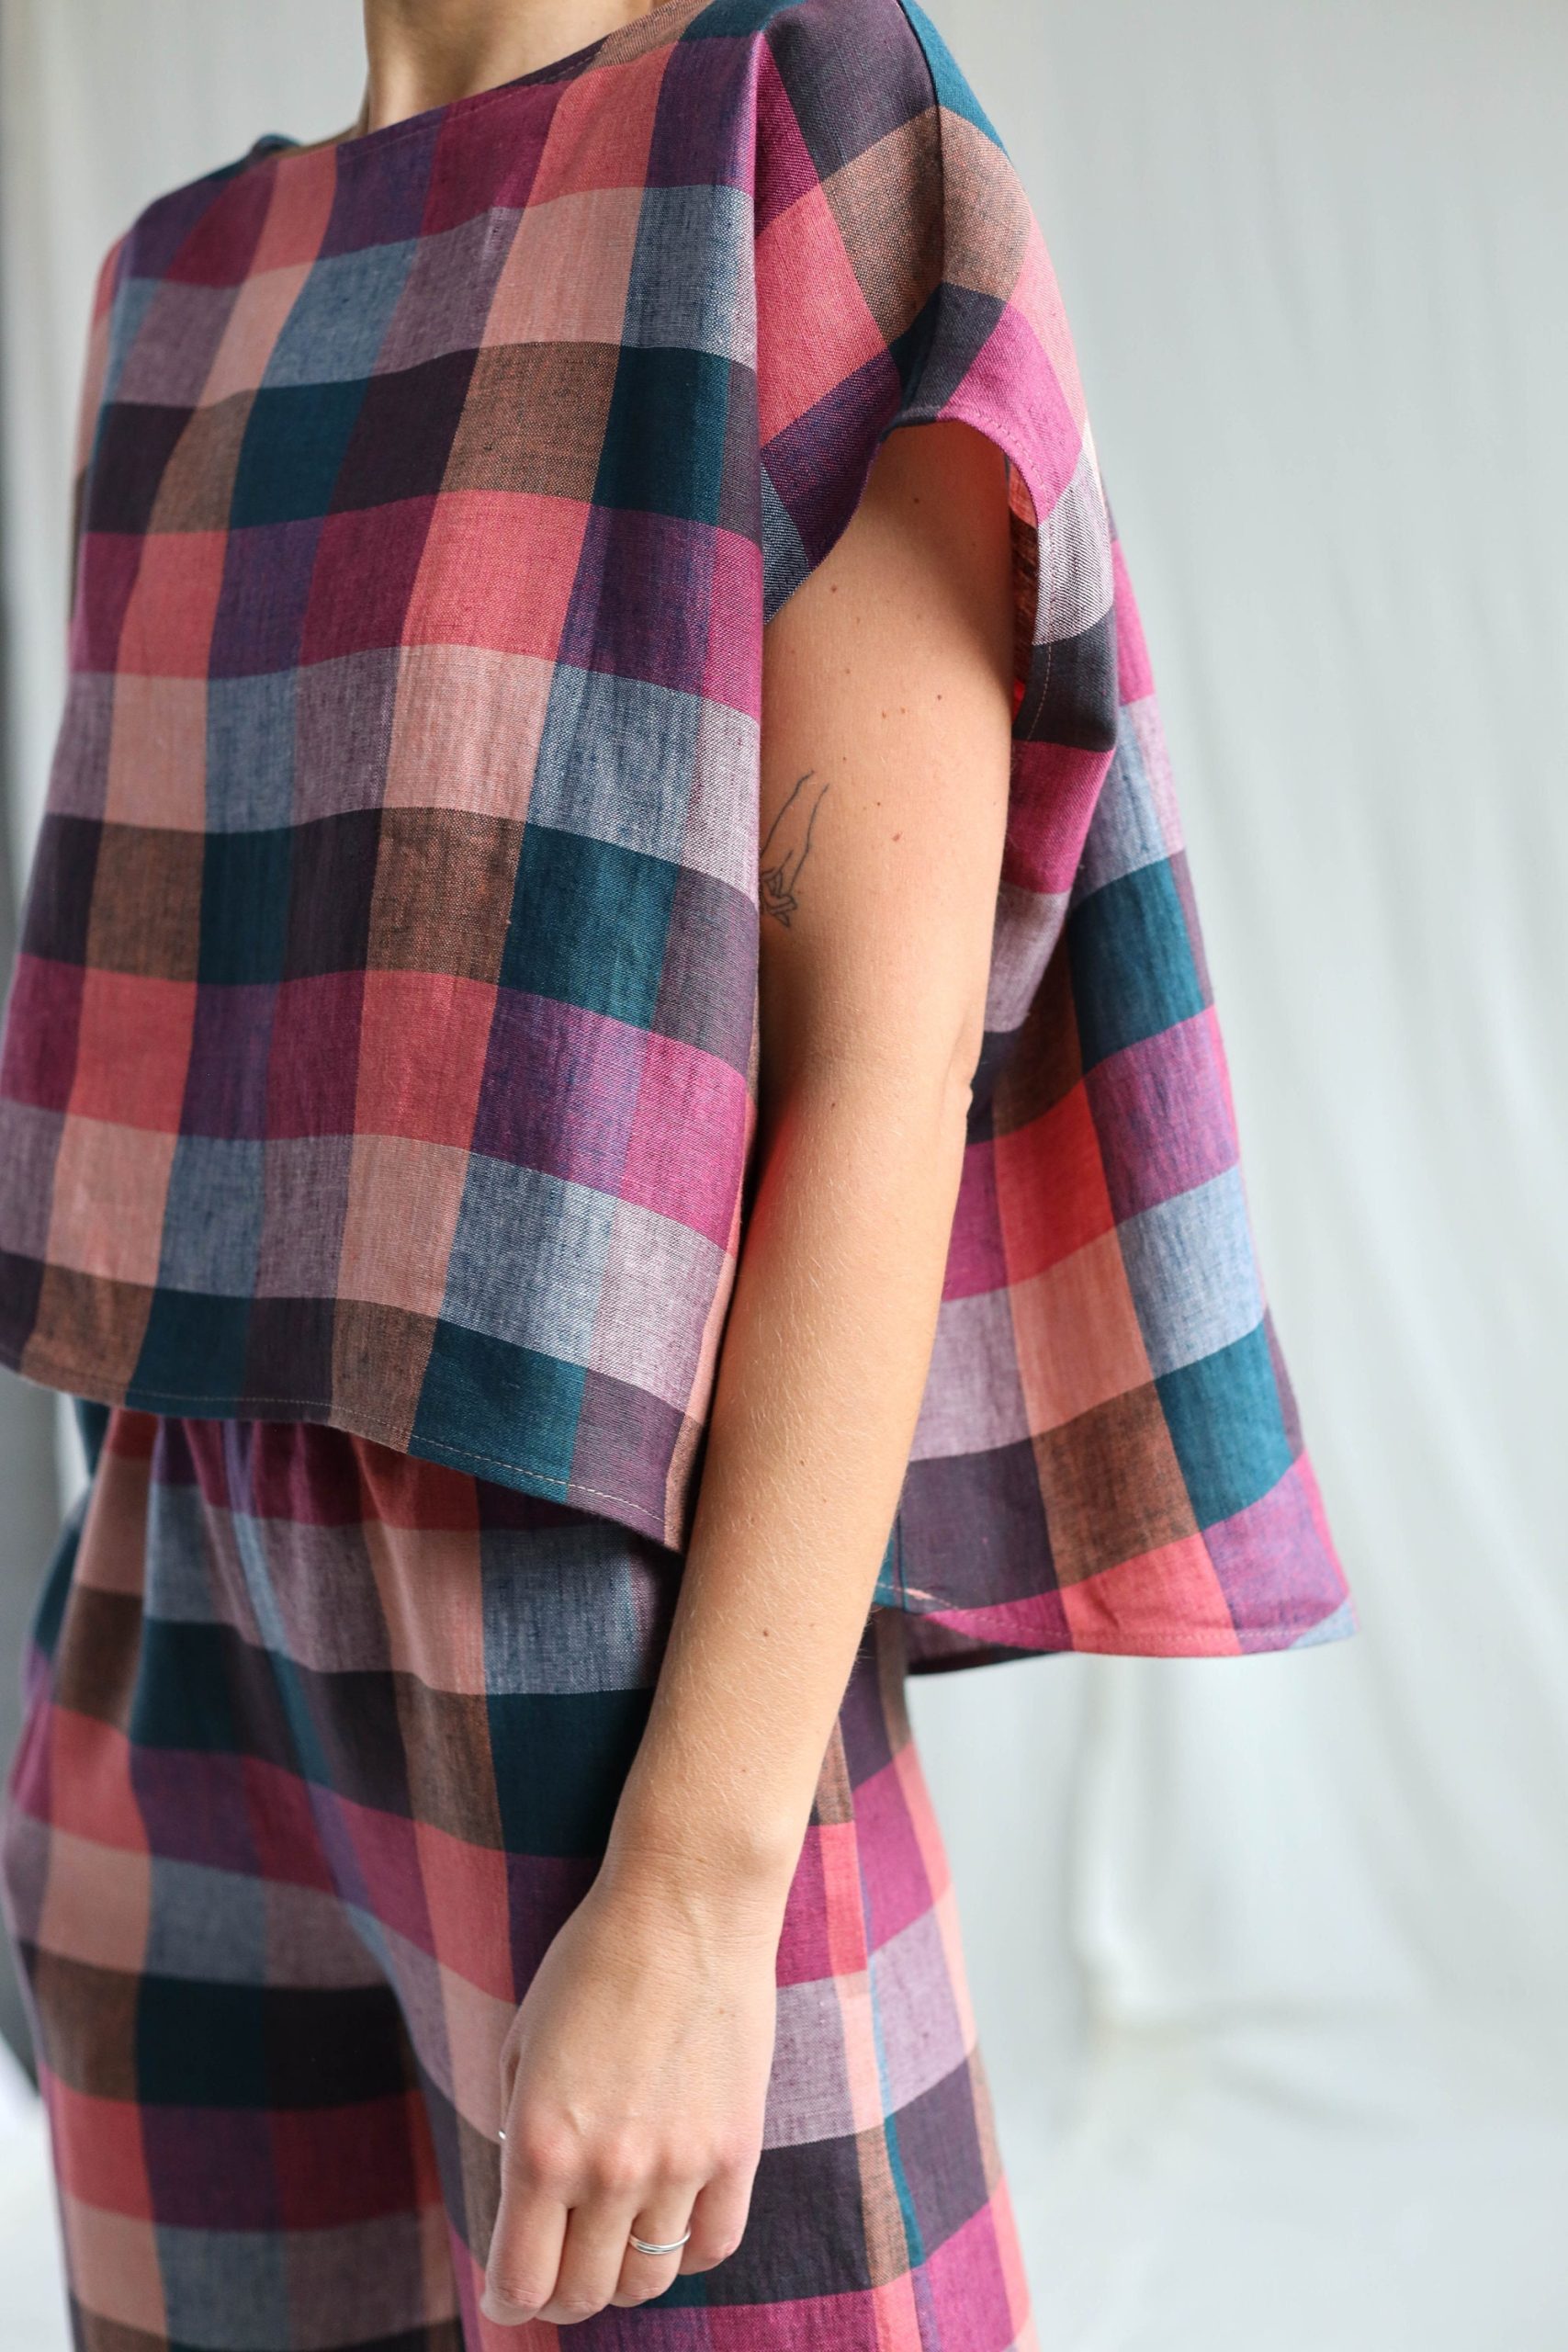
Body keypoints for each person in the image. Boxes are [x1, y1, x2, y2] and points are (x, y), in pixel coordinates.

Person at [0, 0, 1354, 2342]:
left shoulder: (791, 126)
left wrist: (704, 1880)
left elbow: (880, 1069)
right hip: (162, 1641)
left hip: (611, 1665)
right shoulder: (172, 284)